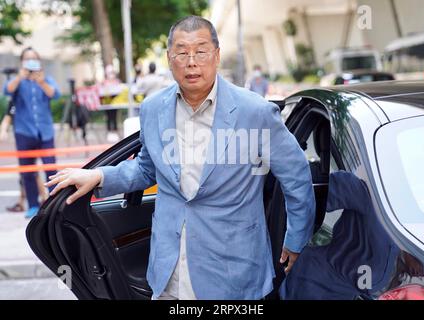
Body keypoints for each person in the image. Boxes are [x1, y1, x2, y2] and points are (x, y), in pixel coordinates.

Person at [46, 16, 315, 300]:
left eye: (200, 51)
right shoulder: (153, 108)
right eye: (181, 52)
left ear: (217, 55)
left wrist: (295, 241)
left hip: (234, 273)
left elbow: (297, 178)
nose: (191, 61)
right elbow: (147, 170)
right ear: (169, 58)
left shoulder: (255, 112)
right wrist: (99, 176)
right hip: (168, 272)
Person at [3, 47, 60, 219]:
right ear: (21, 62)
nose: (30, 62)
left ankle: (54, 204)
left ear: (39, 61)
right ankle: (33, 205)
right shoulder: (17, 81)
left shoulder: (47, 79)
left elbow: (55, 94)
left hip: (45, 131)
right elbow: (7, 90)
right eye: (27, 59)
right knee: (27, 171)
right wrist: (20, 76)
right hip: (23, 132)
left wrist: (41, 82)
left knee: (51, 169)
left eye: (33, 58)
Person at [0, 100, 48, 213]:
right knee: (27, 171)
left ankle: (43, 198)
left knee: (30, 171)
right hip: (24, 139)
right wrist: (3, 130)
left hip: (36, 137)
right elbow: (8, 116)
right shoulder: (16, 99)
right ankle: (28, 200)